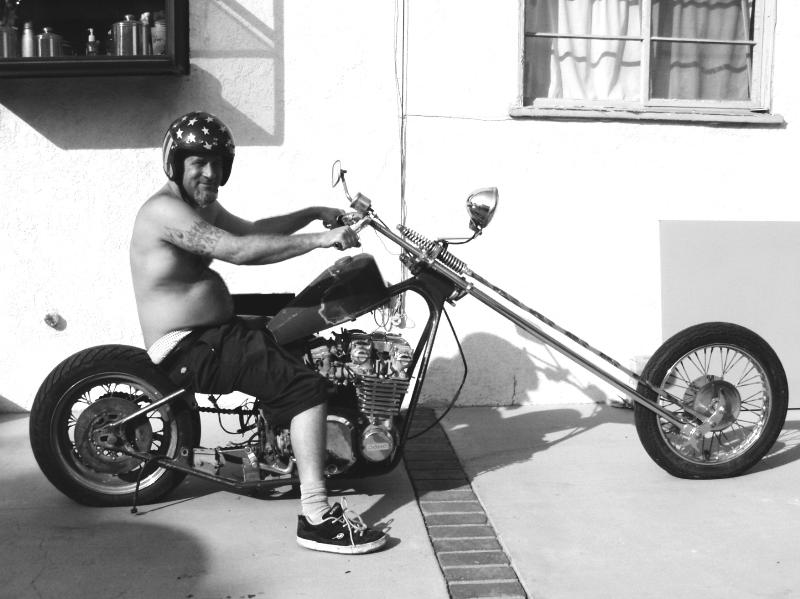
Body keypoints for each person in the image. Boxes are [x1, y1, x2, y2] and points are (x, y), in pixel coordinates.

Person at [130, 110, 387, 555]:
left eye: (217, 164)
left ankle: (288, 445)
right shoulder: (165, 211)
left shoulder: (200, 206)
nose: (210, 173)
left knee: (300, 329)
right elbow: (238, 250)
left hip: (212, 331)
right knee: (306, 389)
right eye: (198, 163)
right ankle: (316, 516)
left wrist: (313, 214)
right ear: (175, 163)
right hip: (188, 346)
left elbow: (252, 231)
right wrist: (320, 241)